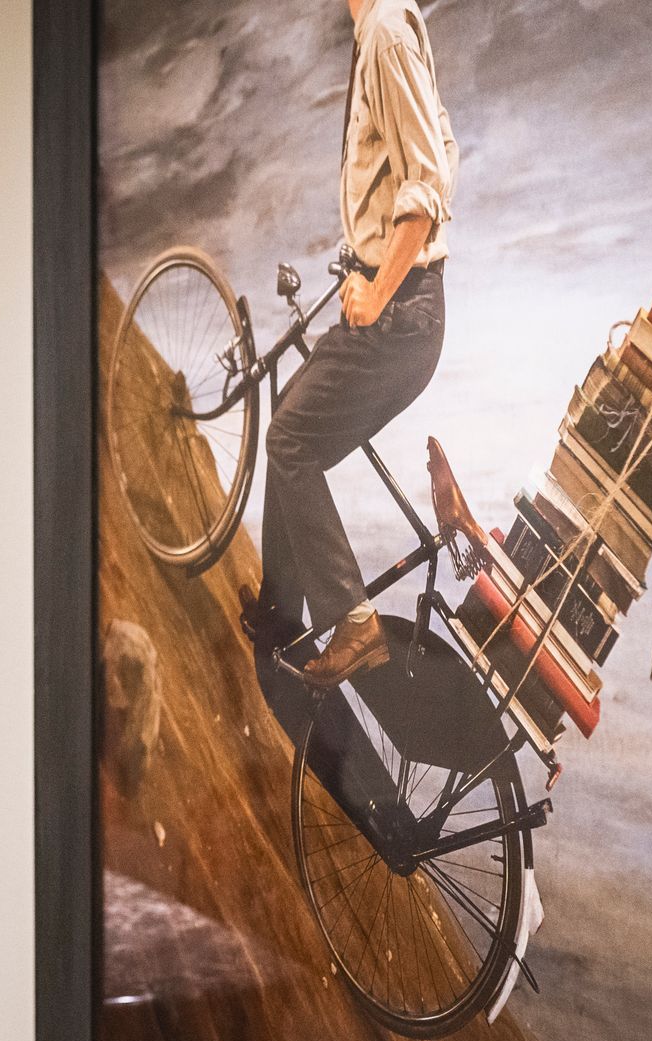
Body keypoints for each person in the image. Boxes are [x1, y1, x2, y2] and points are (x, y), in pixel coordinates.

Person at [246, 0, 458, 686]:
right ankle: (281, 618)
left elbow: (428, 183)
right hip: (396, 307)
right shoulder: (383, 30)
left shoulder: (388, 32)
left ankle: (354, 621)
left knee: (289, 442)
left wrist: (380, 286)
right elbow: (443, 147)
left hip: (398, 317)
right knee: (290, 416)